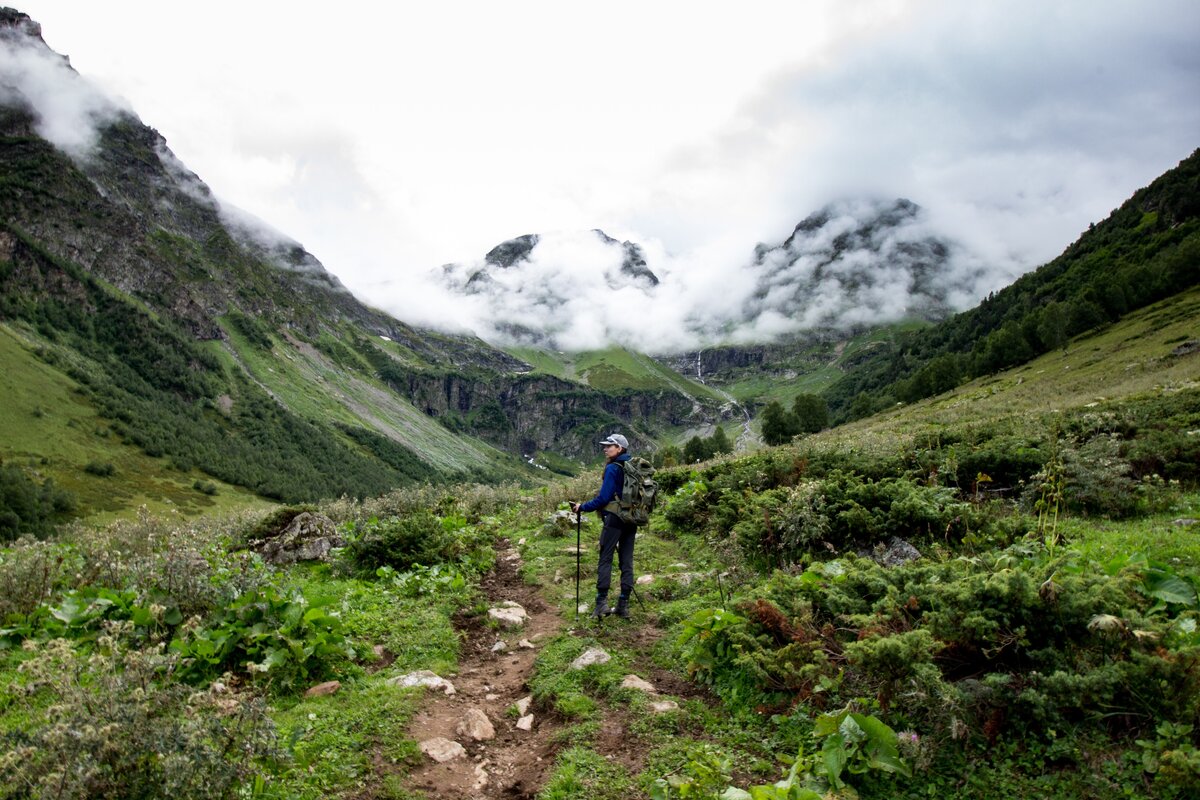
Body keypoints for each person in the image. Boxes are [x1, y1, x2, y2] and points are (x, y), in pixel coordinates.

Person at [570, 433, 637, 619]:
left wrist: (582, 507)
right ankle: (623, 605)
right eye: (605, 446)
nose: (605, 449)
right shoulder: (633, 466)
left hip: (615, 519)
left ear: (620, 448)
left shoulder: (613, 468)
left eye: (610, 446)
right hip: (632, 519)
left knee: (605, 558)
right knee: (626, 561)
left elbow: (603, 498)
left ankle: (601, 604)